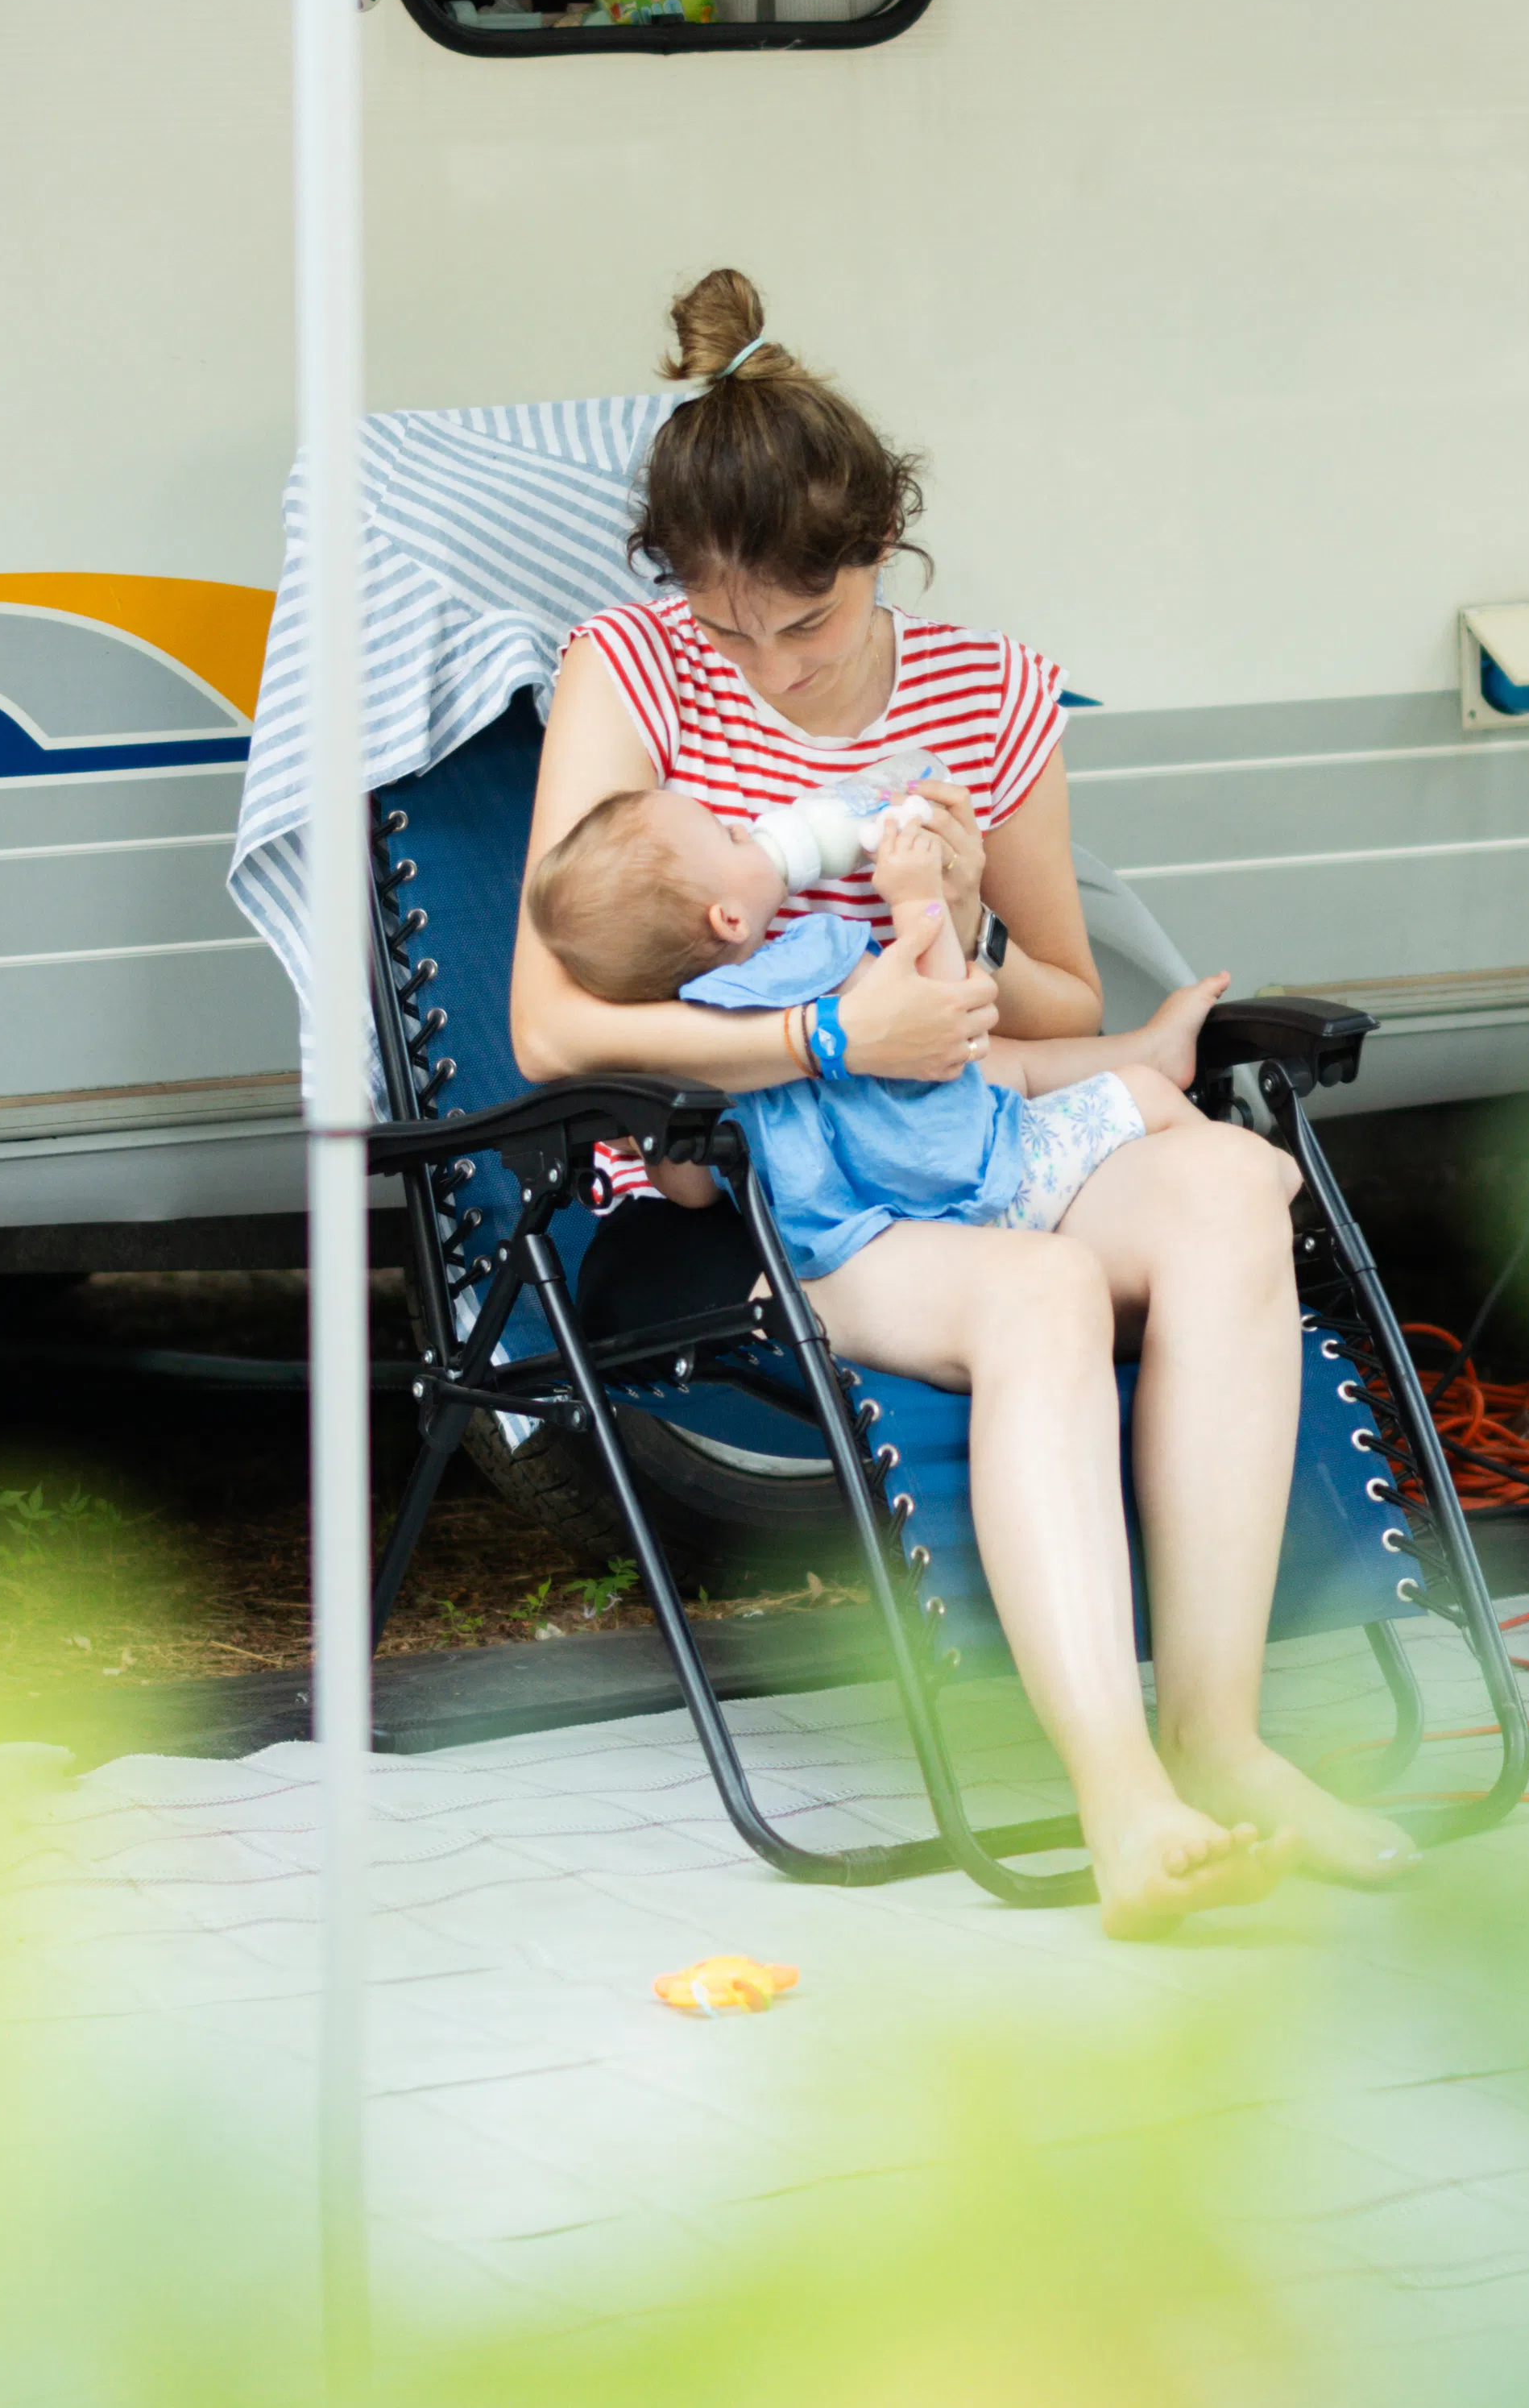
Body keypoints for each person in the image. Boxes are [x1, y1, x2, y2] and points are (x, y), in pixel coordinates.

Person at [506, 270, 1414, 1933]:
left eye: (811, 616)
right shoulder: (628, 670)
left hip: (982, 1113)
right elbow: (551, 1017)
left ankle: (1221, 1735)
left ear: (882, 551)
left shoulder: (995, 696)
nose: (768, 662)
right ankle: (1121, 1801)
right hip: (811, 1174)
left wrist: (968, 901)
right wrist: (835, 1034)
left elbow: (1060, 990)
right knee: (1046, 1287)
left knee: (1225, 1185)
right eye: (731, 620)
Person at [526, 772, 1221, 1266]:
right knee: (1146, 1102)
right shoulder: (816, 953)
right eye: (729, 835)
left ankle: (1148, 1050)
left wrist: (650, 1143)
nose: (747, 828)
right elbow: (948, 1021)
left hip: (884, 1246)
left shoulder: (702, 1051)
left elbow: (695, 1191)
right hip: (986, 1185)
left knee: (1019, 1068)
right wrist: (918, 895)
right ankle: (1256, 1189)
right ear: (730, 917)